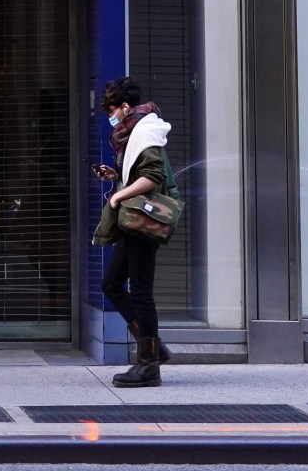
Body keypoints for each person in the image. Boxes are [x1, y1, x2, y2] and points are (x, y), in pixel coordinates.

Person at [91, 77, 172, 388]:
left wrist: (118, 196)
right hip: (133, 221)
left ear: (124, 106)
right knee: (112, 284)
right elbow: (139, 175)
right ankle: (153, 347)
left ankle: (149, 363)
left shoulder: (145, 133)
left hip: (142, 222)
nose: (111, 116)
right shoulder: (132, 134)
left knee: (139, 292)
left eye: (112, 109)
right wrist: (116, 177)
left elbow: (153, 177)